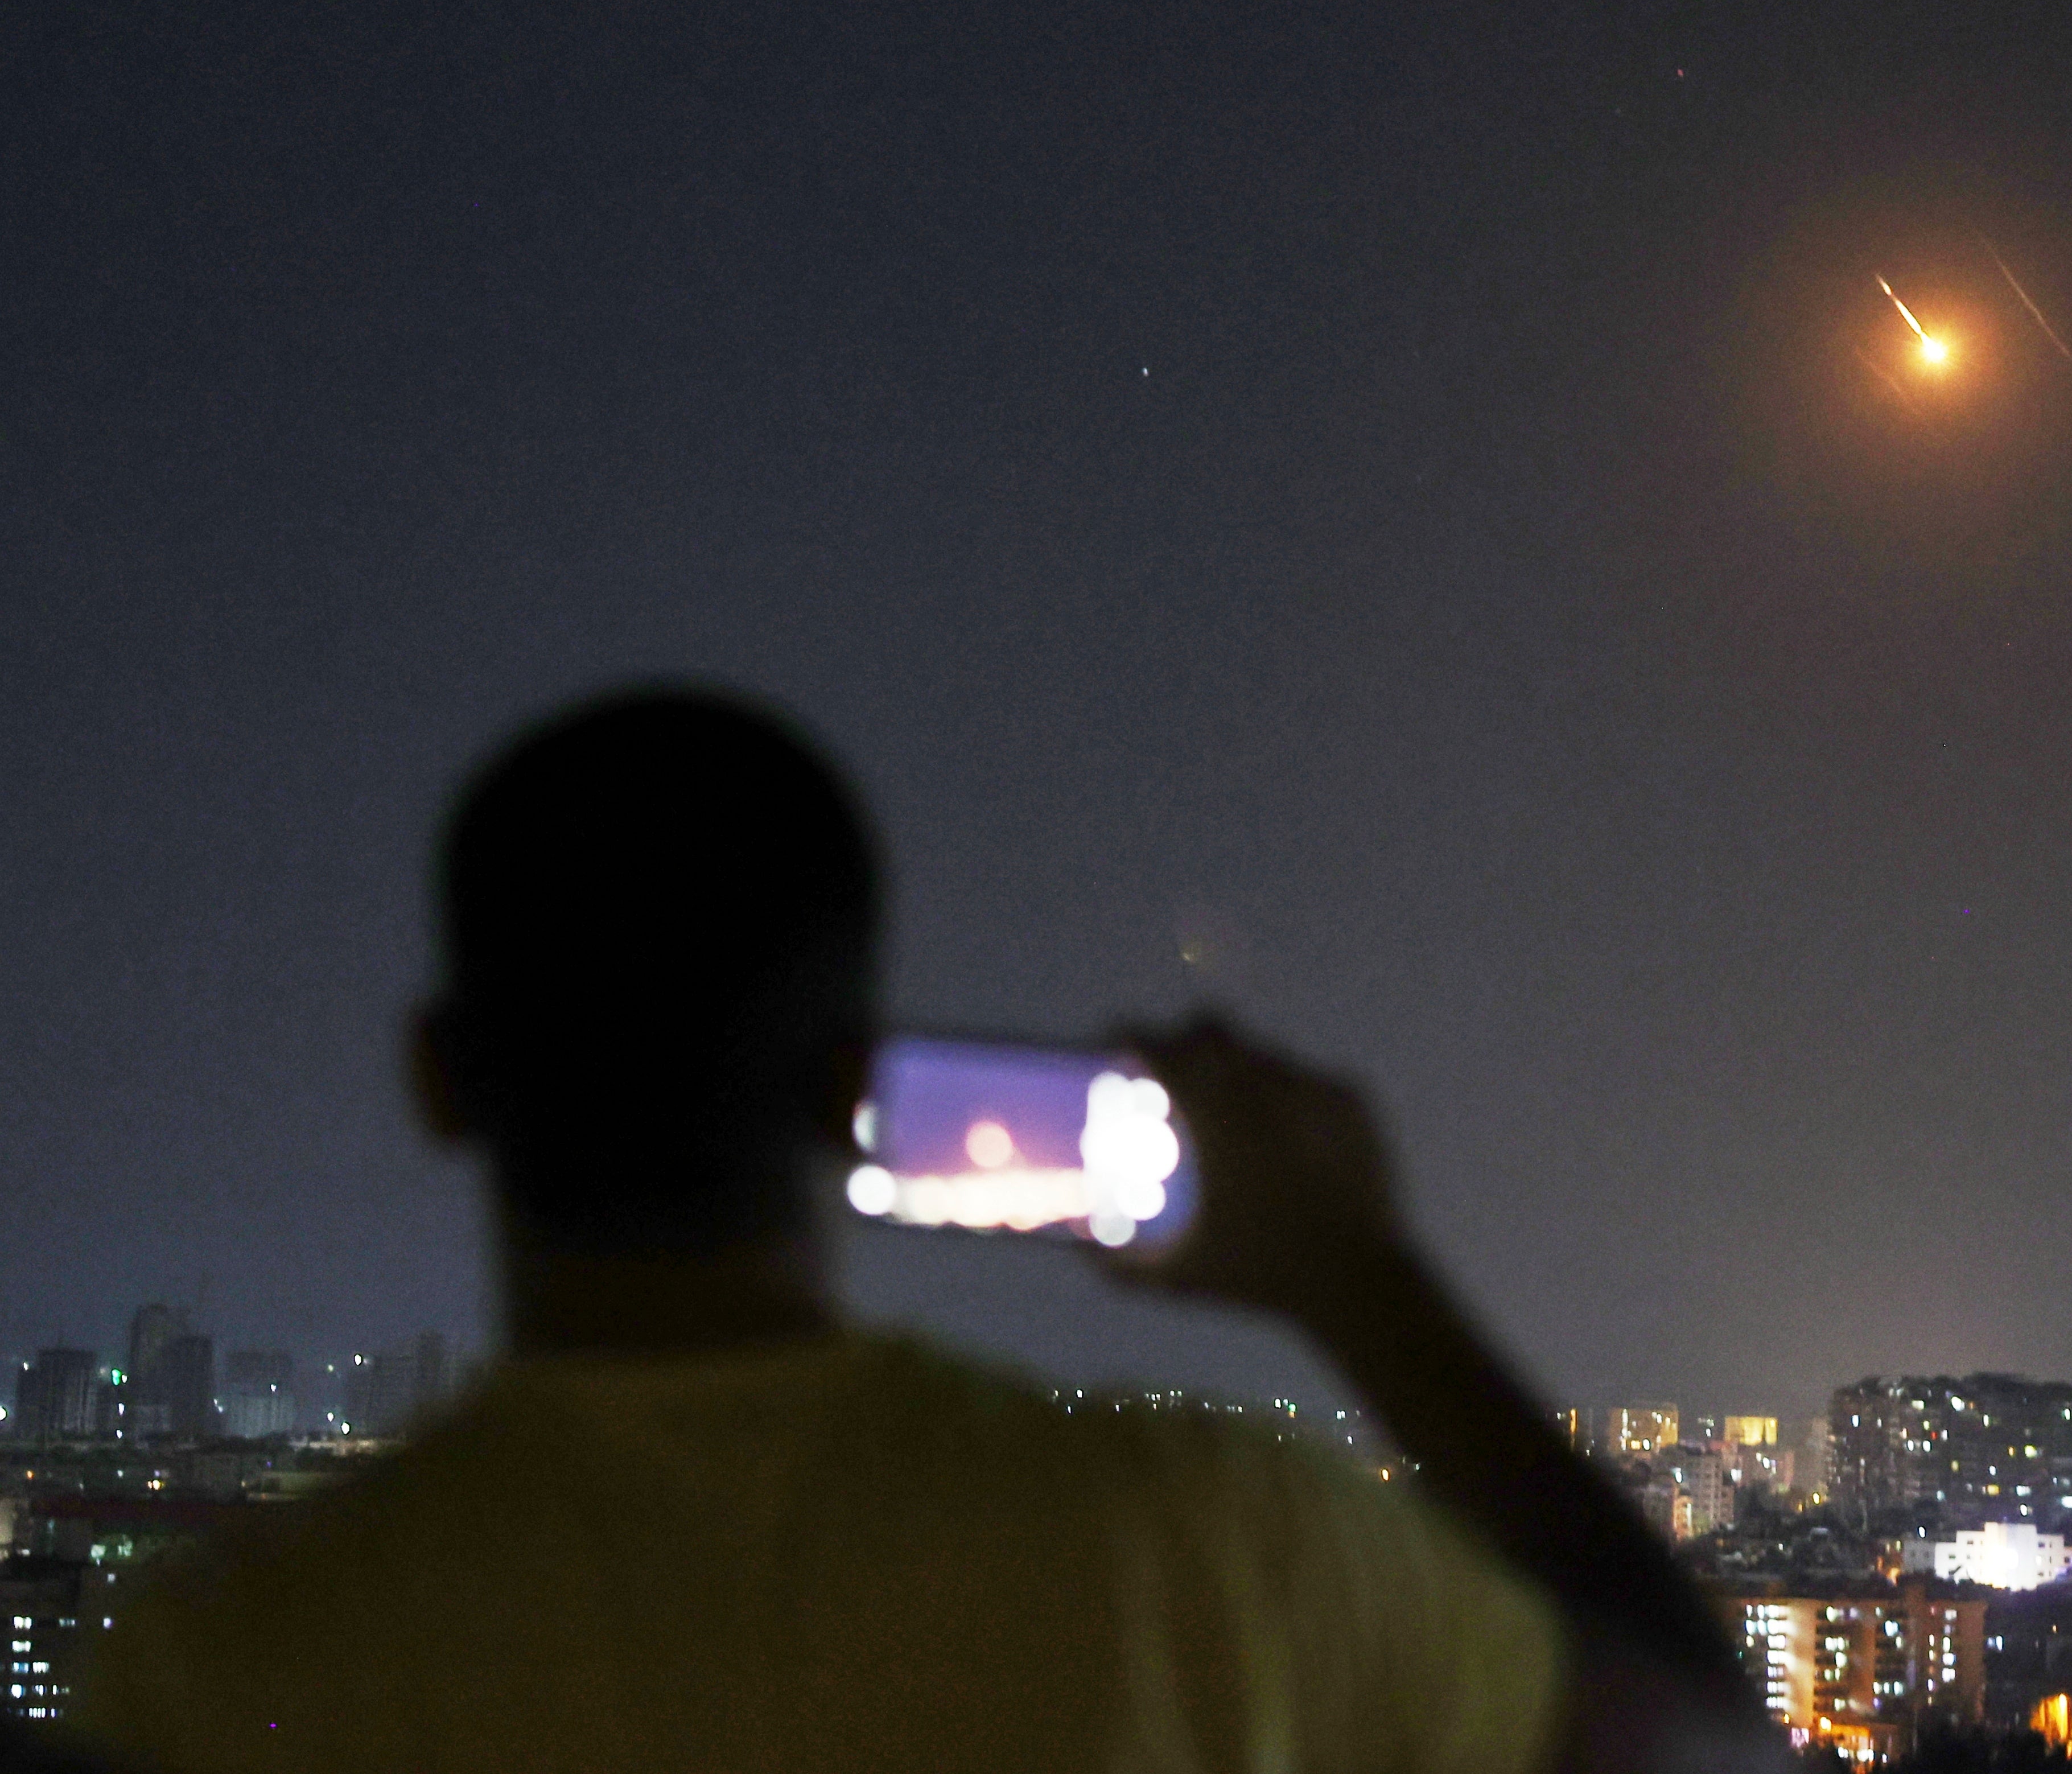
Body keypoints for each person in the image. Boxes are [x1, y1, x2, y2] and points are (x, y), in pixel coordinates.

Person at [78, 688, 1770, 1774]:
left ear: (442, 1081)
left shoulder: (225, 1668)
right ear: (853, 1098)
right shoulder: (1211, 1545)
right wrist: (1358, 1278)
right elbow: (1705, 1745)